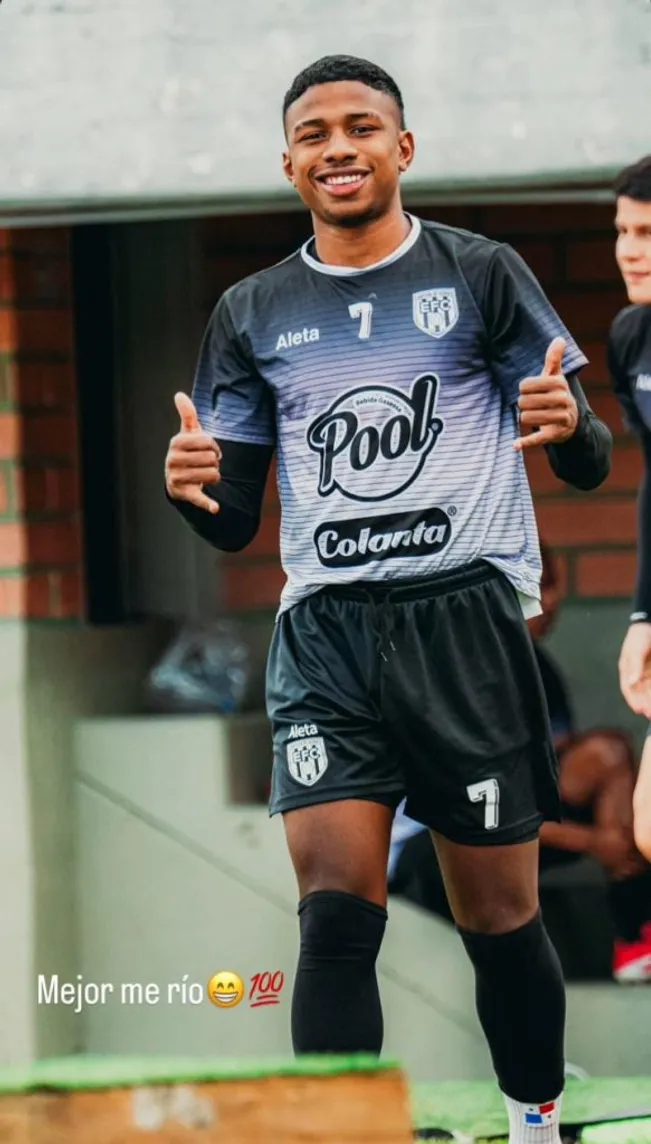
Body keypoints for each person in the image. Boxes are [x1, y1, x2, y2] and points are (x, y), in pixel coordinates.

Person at [164, 55, 612, 1144]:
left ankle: (535, 1122)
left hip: (464, 622)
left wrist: (571, 428)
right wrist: (192, 494)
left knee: (500, 918)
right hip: (325, 633)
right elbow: (234, 514)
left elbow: (590, 456)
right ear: (290, 165)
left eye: (362, 127)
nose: (339, 147)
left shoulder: (482, 272)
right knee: (333, 911)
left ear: (402, 149)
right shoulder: (253, 309)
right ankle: (340, 1132)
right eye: (315, 133)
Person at [390, 543, 651, 982]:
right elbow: (482, 801)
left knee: (607, 752)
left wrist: (612, 835)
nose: (552, 599)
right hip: (431, 848)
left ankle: (635, 937)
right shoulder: (468, 669)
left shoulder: (537, 667)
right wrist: (593, 842)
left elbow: (548, 776)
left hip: (505, 822)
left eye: (553, 585)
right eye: (539, 586)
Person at [608, 154, 651, 866]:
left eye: (646, 232)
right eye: (620, 230)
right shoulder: (629, 337)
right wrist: (643, 616)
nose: (627, 250)